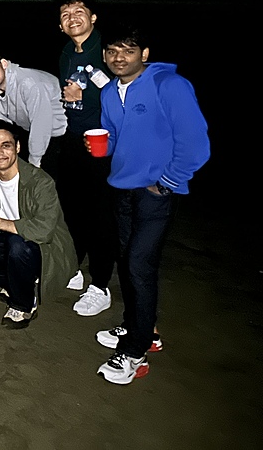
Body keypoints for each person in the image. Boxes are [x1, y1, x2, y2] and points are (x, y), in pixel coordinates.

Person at [93, 24, 209, 385]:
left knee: (138, 265)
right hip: (122, 189)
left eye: (128, 50)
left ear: (144, 54)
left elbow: (196, 144)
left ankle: (135, 351)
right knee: (129, 263)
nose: (119, 58)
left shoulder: (169, 85)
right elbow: (115, 137)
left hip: (155, 193)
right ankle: (138, 326)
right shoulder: (109, 92)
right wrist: (103, 148)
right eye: (112, 51)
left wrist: (168, 182)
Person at [0, 120, 74, 329]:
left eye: (5, 145)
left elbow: (43, 231)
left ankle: (23, 304)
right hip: (5, 241)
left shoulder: (40, 181)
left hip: (44, 247)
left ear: (17, 147)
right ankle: (14, 281)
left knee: (18, 246)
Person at [54, 0, 117, 315]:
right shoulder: (67, 52)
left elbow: (122, 94)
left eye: (79, 12)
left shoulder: (108, 50)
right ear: (61, 26)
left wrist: (84, 96)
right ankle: (73, 267)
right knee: (71, 208)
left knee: (101, 214)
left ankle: (100, 285)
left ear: (93, 18)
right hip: (73, 138)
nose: (72, 18)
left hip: (104, 142)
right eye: (66, 15)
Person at [0, 47, 66, 176]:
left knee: (43, 178)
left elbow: (41, 125)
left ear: (4, 64)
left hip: (61, 134)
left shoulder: (29, 84)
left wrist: (33, 166)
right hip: (31, 131)